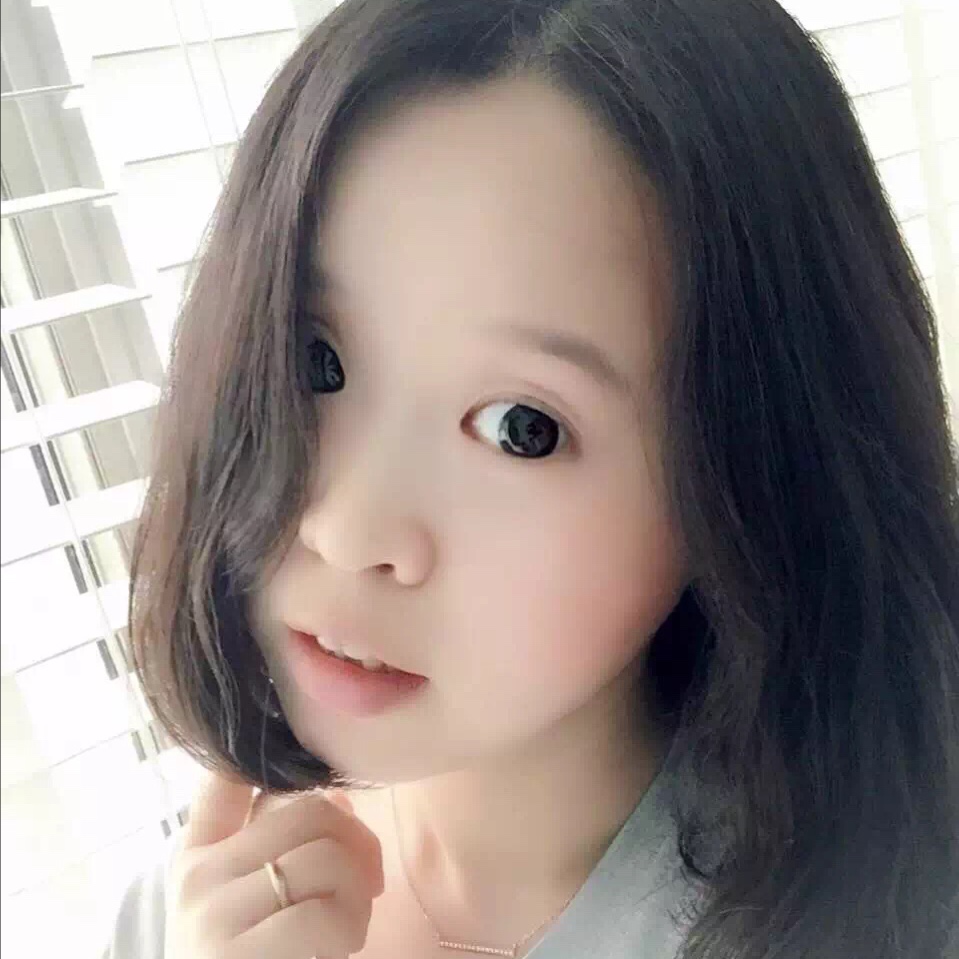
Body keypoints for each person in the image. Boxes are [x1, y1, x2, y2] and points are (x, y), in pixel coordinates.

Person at [101, 1, 959, 957]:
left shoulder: (885, 919)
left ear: (748, 477)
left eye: (523, 428)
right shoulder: (180, 915)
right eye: (317, 361)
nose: (350, 528)